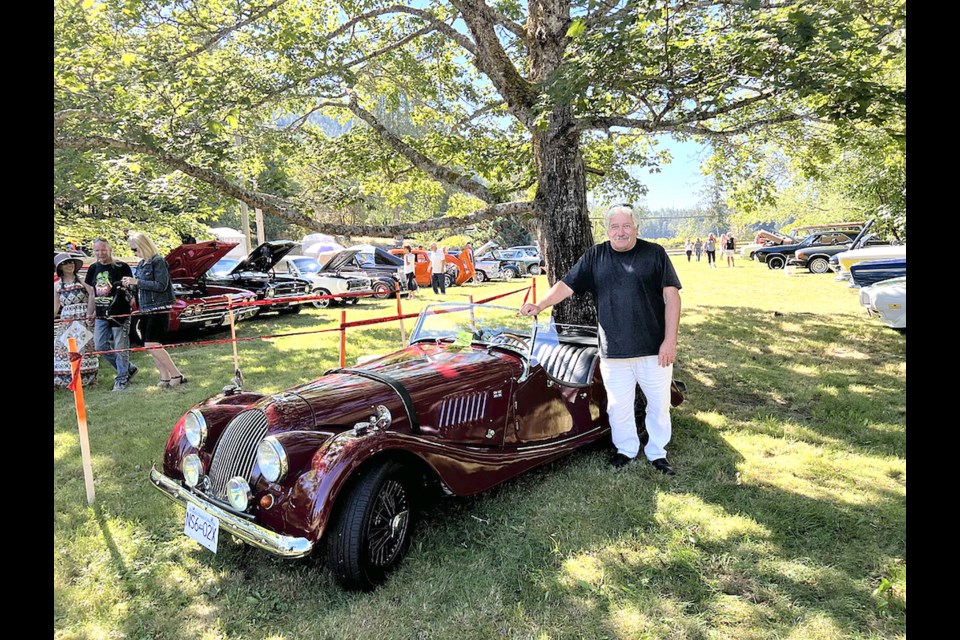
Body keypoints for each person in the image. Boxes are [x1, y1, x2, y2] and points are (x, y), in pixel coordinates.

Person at [519, 205, 681, 474]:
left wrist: (670, 341)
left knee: (659, 405)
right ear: (607, 230)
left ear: (636, 228)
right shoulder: (595, 256)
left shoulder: (655, 254)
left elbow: (672, 297)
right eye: (615, 227)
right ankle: (626, 449)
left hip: (654, 350)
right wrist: (540, 305)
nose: (621, 231)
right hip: (613, 351)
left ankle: (657, 452)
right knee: (618, 407)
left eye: (626, 226)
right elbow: (566, 285)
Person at [122, 232, 186, 388]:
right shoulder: (141, 264)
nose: (134, 253)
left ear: (144, 246)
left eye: (135, 249)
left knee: (152, 344)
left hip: (159, 308)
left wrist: (137, 281)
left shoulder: (158, 261)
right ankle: (164, 377)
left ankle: (176, 374)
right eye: (132, 250)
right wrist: (129, 285)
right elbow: (140, 285)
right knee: (150, 345)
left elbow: (161, 285)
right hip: (145, 309)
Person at [85, 239, 139, 391]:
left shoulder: (122, 266)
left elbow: (132, 289)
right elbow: (92, 294)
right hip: (101, 314)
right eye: (97, 250)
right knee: (100, 345)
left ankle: (122, 378)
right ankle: (128, 368)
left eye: (103, 250)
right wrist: (90, 313)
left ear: (110, 249)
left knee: (120, 347)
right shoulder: (93, 268)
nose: (100, 253)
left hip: (120, 313)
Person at [54, 253, 99, 388]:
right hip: (67, 319)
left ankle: (87, 378)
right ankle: (65, 378)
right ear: (60, 267)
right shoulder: (56, 285)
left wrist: (91, 312)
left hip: (83, 316)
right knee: (61, 347)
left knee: (84, 347)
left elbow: (92, 292)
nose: (70, 265)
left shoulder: (82, 280)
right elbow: (56, 306)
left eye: (71, 263)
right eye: (66, 263)